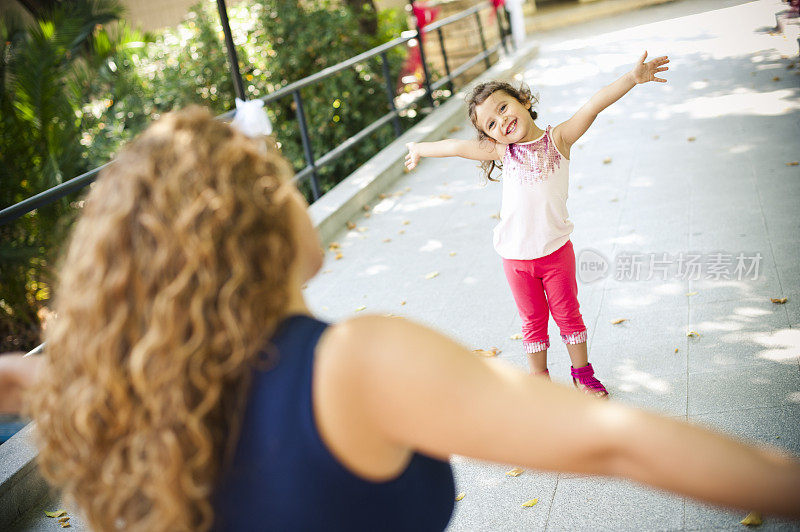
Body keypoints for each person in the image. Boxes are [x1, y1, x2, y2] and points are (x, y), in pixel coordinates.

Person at [28, 107, 800, 532]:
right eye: (282, 180)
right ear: (257, 218)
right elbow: (613, 443)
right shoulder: (354, 363)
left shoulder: (124, 380)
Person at [405, 52, 671, 397]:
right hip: (516, 260)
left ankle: (582, 373)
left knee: (569, 316)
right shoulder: (503, 153)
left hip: (556, 253)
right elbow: (456, 146)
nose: (500, 121)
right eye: (490, 124)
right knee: (532, 324)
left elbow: (592, 106)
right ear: (491, 138)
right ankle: (539, 386)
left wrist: (631, 79)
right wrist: (418, 147)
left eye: (502, 108)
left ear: (524, 100)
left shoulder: (558, 139)